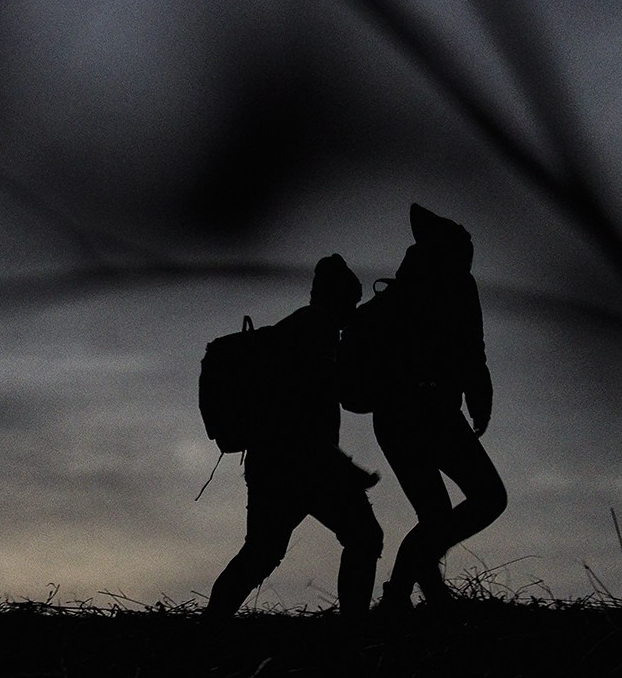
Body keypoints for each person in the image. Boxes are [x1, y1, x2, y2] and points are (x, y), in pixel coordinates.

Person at [205, 255, 384, 619]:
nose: (354, 307)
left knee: (261, 553)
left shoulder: (300, 331)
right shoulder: (315, 331)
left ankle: (212, 625)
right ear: (337, 297)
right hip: (302, 462)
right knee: (364, 537)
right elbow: (300, 411)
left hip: (273, 460)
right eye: (351, 299)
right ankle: (355, 632)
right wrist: (341, 467)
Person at [372, 204, 508, 612]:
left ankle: (414, 596)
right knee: (487, 498)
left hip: (397, 418)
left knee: (436, 514)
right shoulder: (450, 286)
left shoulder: (403, 288)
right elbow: (471, 350)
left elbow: (469, 351)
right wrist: (478, 399)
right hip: (426, 414)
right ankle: (401, 592)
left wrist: (475, 397)